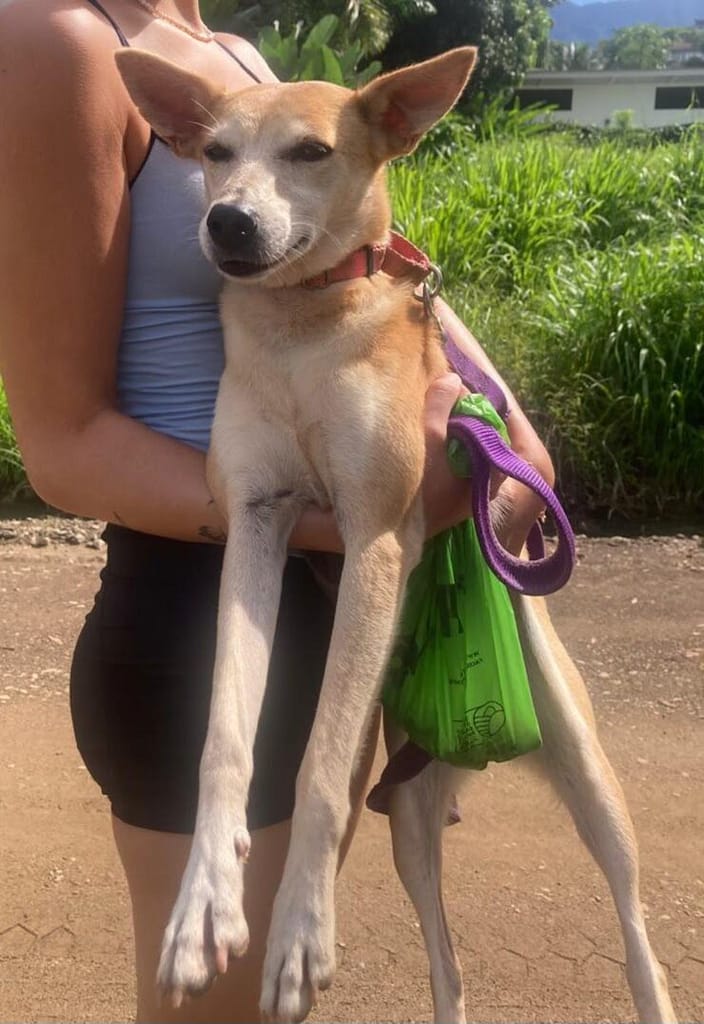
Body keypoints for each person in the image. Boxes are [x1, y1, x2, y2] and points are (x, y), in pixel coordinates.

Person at [0, 1, 554, 1020]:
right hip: (196, 613)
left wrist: (514, 435)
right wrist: (359, 522)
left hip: (332, 610)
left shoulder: (237, 58)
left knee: (279, 1004)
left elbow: (370, 259)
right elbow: (65, 447)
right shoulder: (57, 43)